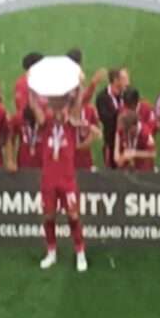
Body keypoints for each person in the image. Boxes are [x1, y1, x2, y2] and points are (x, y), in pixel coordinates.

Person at [28, 89, 95, 272]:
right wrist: (32, 87)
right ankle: (51, 252)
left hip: (67, 180)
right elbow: (34, 106)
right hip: (48, 179)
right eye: (54, 109)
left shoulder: (72, 124)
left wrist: (80, 86)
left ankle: (80, 253)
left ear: (66, 109)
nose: (58, 113)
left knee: (73, 216)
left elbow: (78, 104)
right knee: (49, 216)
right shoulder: (45, 124)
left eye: (61, 109)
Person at [95, 67, 129, 168]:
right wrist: (120, 112)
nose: (127, 81)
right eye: (124, 78)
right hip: (110, 142)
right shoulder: (102, 97)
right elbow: (104, 118)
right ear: (115, 80)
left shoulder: (128, 94)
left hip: (127, 143)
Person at [6, 106, 41, 171]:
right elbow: (10, 139)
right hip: (23, 163)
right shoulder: (17, 117)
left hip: (43, 164)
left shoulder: (45, 118)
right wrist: (10, 160)